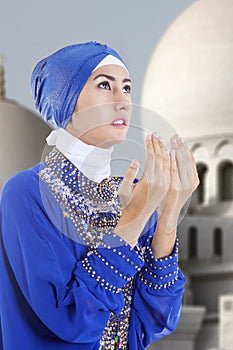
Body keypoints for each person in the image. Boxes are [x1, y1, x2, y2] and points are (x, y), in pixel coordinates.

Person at [0, 41, 199, 350]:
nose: (122, 101)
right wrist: (135, 216)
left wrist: (168, 214)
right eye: (105, 86)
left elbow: (156, 322)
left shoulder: (127, 193)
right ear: (65, 98)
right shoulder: (28, 193)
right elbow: (73, 320)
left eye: (127, 88)